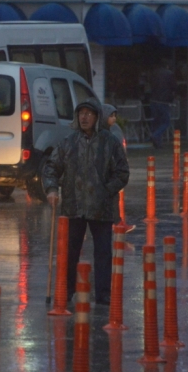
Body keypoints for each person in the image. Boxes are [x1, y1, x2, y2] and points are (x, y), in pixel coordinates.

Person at [43, 98, 130, 305]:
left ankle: (103, 294)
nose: (84, 117)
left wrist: (106, 190)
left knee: (103, 253)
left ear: (97, 117)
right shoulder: (69, 142)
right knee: (70, 252)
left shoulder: (110, 142)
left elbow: (122, 172)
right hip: (74, 207)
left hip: (102, 208)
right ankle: (67, 291)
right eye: (81, 113)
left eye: (89, 114)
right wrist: (52, 189)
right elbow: (51, 168)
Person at [147, 59, 177, 149]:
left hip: (153, 100)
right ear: (167, 66)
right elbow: (174, 87)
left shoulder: (154, 73)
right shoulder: (170, 74)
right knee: (166, 122)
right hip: (164, 101)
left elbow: (149, 85)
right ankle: (155, 135)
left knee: (156, 121)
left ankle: (157, 143)